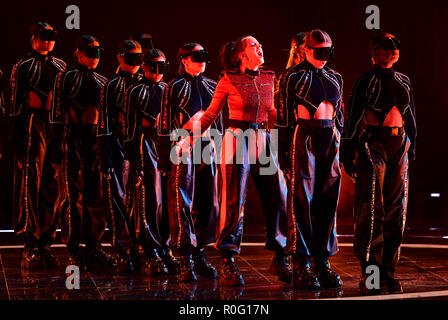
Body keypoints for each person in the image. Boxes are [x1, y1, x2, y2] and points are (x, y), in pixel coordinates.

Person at [198, 35, 290, 287]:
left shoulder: (269, 77)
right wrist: (186, 138)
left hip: (264, 140)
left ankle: (281, 254)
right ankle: (227, 258)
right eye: (253, 45)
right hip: (237, 139)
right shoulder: (228, 79)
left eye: (260, 43)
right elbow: (210, 115)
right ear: (241, 55)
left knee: (278, 196)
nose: (260, 47)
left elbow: (272, 112)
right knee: (233, 200)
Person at [341, 32, 416, 295]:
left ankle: (389, 270)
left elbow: (411, 117)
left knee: (398, 209)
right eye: (386, 46)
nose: (392, 50)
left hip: (399, 144)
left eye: (396, 46)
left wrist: (412, 146)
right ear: (374, 51)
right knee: (371, 207)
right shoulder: (365, 82)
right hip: (373, 144)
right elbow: (353, 119)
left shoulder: (404, 81)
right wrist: (346, 149)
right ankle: (370, 269)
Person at [276, 29, 344, 290]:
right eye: (319, 50)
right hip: (302, 136)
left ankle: (322, 258)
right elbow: (283, 117)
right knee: (301, 199)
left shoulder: (335, 76)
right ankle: (301, 260)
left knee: (328, 199)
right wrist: (282, 152)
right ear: (305, 50)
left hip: (330, 137)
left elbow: (341, 117)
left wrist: (345, 148)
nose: (325, 56)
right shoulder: (292, 76)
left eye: (329, 50)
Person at [158, 43, 222, 282]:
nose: (202, 60)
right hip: (183, 145)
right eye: (196, 56)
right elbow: (164, 123)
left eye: (205, 56)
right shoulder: (173, 86)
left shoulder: (212, 85)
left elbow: (219, 120)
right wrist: (165, 157)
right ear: (183, 59)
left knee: (208, 202)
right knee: (181, 201)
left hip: (208, 147)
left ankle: (199, 252)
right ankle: (184, 256)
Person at [50, 35, 113, 270]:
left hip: (94, 142)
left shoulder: (102, 81)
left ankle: (93, 246)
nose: (94, 57)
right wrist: (56, 149)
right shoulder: (65, 78)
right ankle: (73, 248)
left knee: (95, 196)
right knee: (71, 196)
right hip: (71, 140)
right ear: (78, 52)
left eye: (98, 52)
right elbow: (56, 114)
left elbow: (106, 119)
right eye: (89, 52)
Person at [9, 22, 66, 269]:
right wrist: (18, 142)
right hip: (31, 124)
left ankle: (46, 241)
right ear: (33, 38)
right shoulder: (23, 67)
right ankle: (30, 242)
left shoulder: (61, 66)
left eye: (51, 37)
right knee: (30, 183)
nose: (48, 41)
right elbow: (14, 106)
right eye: (43, 37)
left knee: (52, 186)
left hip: (53, 127)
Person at [123, 48, 180, 275]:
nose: (158, 72)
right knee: (148, 199)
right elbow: (129, 128)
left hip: (166, 145)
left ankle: (165, 247)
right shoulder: (134, 90)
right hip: (144, 144)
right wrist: (134, 160)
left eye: (162, 68)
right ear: (144, 66)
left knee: (168, 198)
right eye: (154, 67)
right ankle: (149, 248)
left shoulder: (169, 89)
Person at [97, 40, 143, 273]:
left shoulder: (146, 82)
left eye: (139, 58)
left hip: (144, 146)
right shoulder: (111, 84)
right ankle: (123, 249)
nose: (136, 64)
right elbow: (103, 120)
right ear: (120, 57)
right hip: (119, 145)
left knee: (144, 199)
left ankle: (144, 246)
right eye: (131, 58)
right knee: (119, 198)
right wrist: (105, 152)